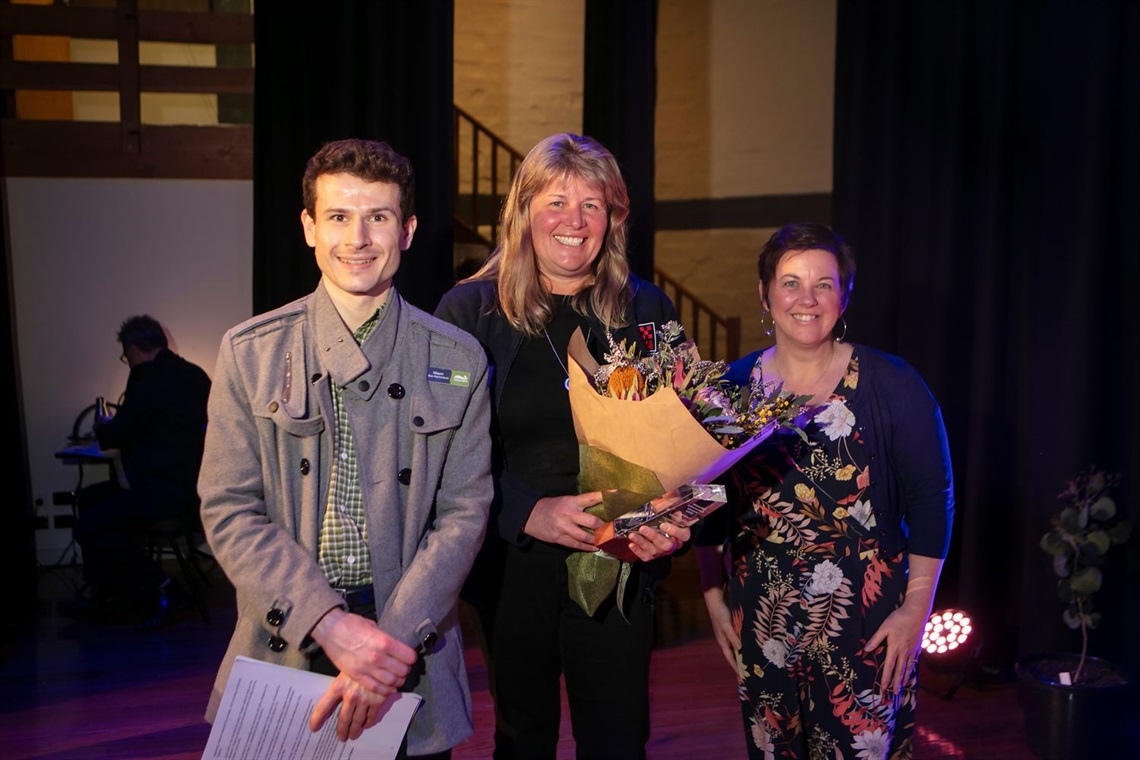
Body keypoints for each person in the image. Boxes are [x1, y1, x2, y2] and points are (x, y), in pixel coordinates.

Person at [198, 138, 493, 758]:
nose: (357, 237)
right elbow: (228, 508)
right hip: (286, 641)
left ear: (407, 230)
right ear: (308, 227)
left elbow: (465, 512)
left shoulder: (459, 359)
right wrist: (331, 627)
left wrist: (382, 648)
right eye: (338, 216)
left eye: (378, 217)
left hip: (406, 650)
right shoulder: (249, 353)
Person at [434, 132, 691, 759]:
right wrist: (529, 511)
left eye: (593, 205)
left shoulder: (647, 307)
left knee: (619, 737)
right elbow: (440, 453)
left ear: (614, 218)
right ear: (523, 212)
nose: (574, 222)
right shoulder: (468, 311)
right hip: (512, 558)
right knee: (525, 737)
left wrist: (675, 513)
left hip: (620, 555)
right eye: (555, 202)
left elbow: (688, 436)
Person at [695, 222, 954, 758]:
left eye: (824, 284)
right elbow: (706, 499)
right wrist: (713, 598)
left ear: (845, 294)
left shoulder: (893, 384)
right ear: (764, 294)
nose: (806, 299)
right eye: (790, 283)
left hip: (868, 618)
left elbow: (933, 498)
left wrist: (916, 610)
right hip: (763, 615)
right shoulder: (730, 389)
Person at [71, 314, 211, 630]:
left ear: (133, 349)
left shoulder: (146, 376)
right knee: (92, 498)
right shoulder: (195, 374)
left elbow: (121, 433)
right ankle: (106, 590)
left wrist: (104, 427)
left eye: (126, 356)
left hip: (160, 492)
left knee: (86, 527)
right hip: (191, 490)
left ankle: (163, 589)